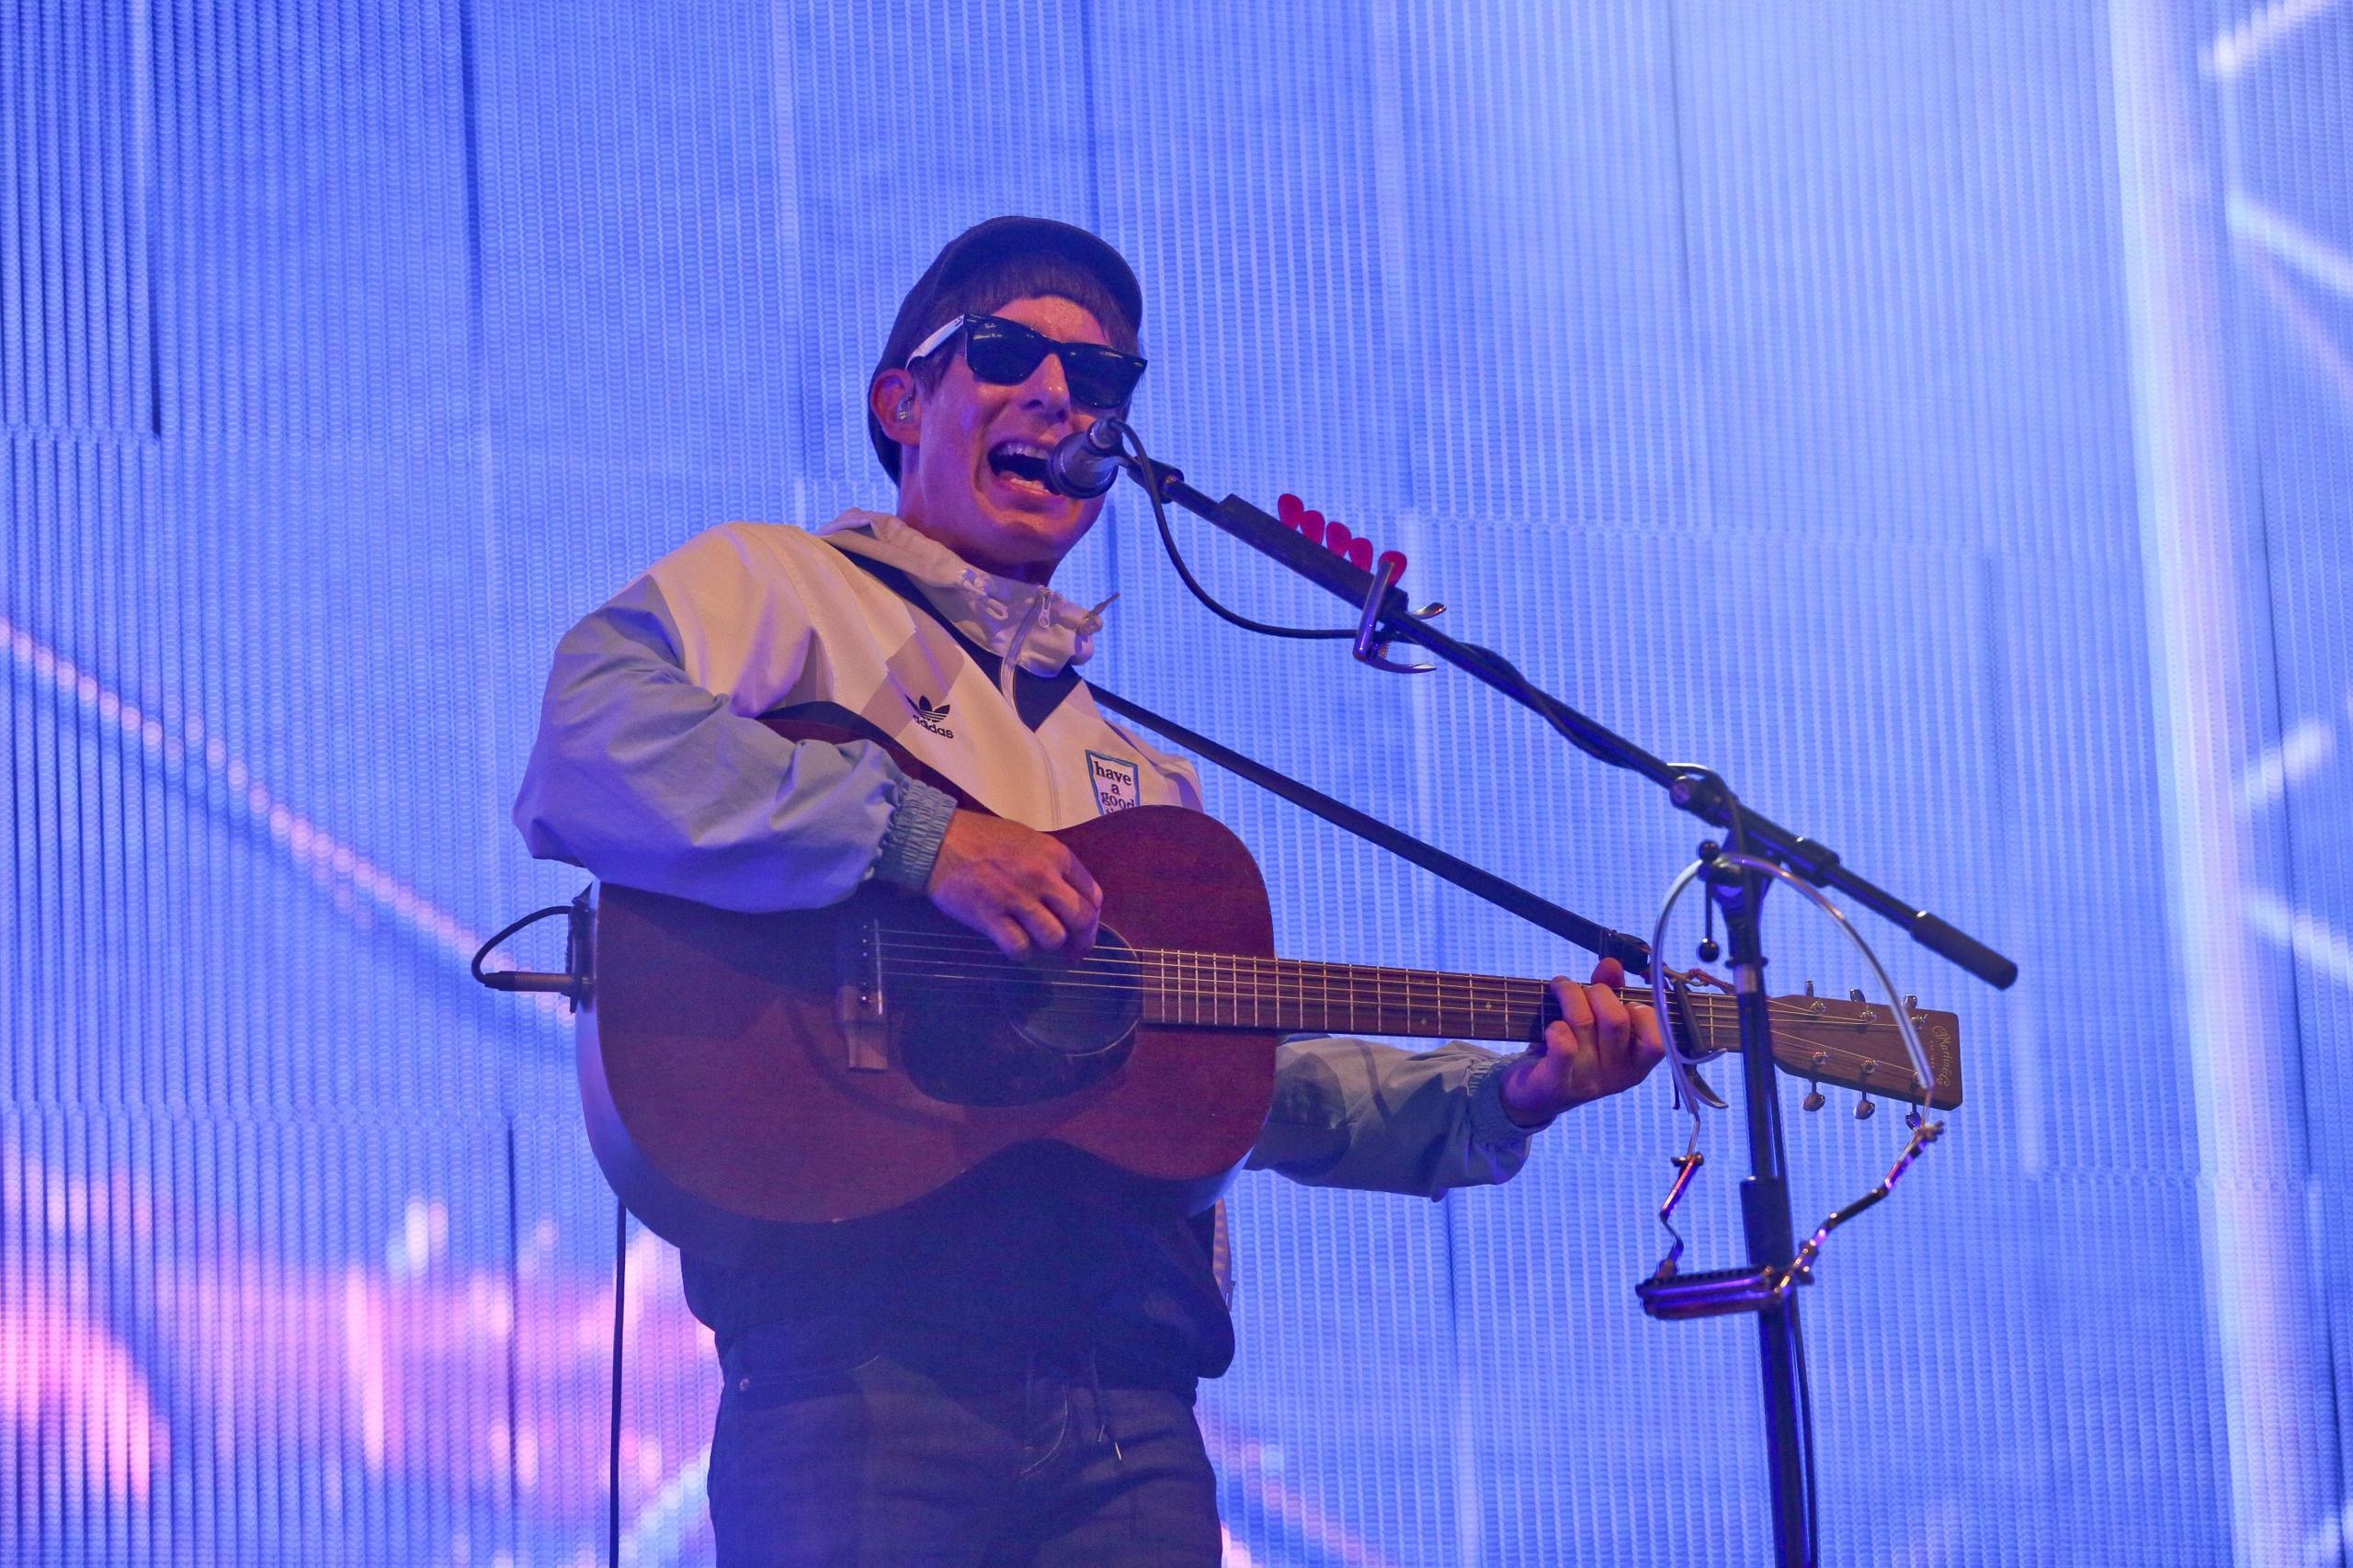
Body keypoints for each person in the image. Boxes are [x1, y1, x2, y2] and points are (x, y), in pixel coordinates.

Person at [514, 217, 1665, 1567]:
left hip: (1131, 1409)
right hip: (861, 1383)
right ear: (903, 399)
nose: (1062, 399)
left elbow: (1222, 1081)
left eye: (1103, 382)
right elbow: (590, 731)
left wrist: (1501, 1095)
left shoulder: (1139, 772)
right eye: (1007, 355)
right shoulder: (784, 589)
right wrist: (919, 838)